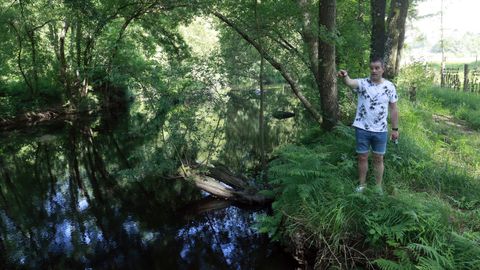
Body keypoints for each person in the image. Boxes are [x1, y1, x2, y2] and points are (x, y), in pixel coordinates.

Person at [337, 58, 399, 193]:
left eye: (377, 68)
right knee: (362, 157)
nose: (374, 71)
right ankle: (362, 185)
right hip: (362, 128)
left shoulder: (390, 86)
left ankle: (378, 187)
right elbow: (350, 83)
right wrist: (345, 76)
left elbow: (394, 109)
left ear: (383, 69)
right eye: (371, 68)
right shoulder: (362, 83)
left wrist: (395, 129)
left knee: (378, 158)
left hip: (381, 130)